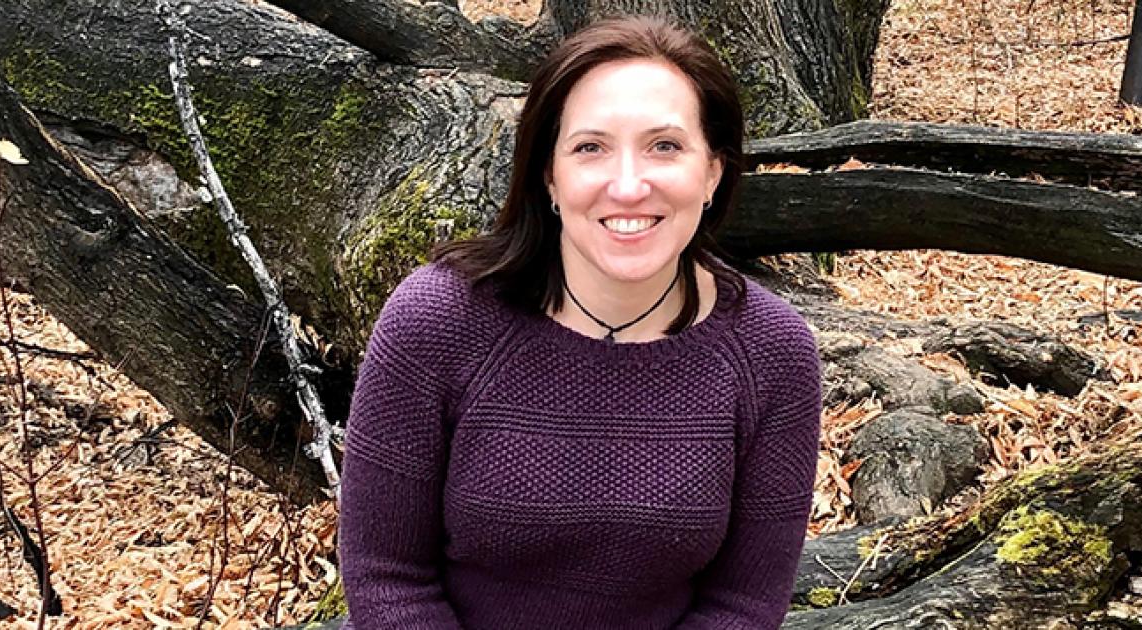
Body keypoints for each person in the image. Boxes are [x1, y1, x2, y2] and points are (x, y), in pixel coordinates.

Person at [338, 15, 822, 630]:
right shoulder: (438, 321)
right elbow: (386, 577)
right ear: (549, 173)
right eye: (590, 148)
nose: (628, 186)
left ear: (713, 173)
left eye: (665, 146)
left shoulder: (771, 352)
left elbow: (743, 606)